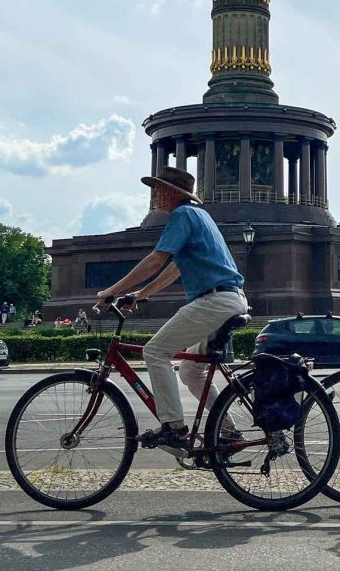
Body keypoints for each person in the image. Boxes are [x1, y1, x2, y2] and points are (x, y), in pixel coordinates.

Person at [96, 165, 248, 455]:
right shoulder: (199, 216)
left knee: (154, 352)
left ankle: (174, 428)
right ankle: (227, 432)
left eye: (157, 189)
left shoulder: (182, 215)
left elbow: (156, 261)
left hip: (215, 300)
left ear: (170, 192)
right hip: (230, 299)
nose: (154, 196)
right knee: (191, 371)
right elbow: (175, 267)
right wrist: (140, 294)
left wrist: (111, 291)